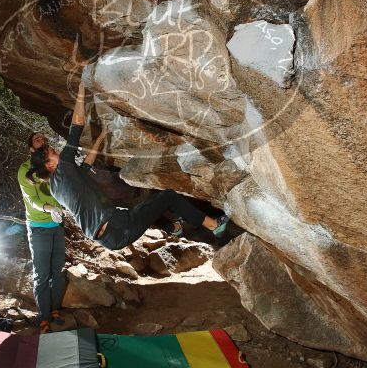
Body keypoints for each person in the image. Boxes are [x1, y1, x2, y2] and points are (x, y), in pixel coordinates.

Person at [27, 83, 229, 250]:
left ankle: (173, 227)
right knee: (168, 196)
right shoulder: (64, 168)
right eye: (52, 152)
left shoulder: (56, 188)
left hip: (108, 240)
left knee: (145, 203)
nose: (56, 152)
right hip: (118, 226)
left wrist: (100, 138)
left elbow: (86, 167)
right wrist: (82, 91)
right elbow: (76, 125)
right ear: (49, 164)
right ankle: (213, 225)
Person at [17, 132, 67, 333]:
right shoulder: (25, 170)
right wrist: (51, 209)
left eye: (44, 138)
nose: (42, 140)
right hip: (39, 227)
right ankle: (43, 316)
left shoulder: (52, 164)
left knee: (58, 271)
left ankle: (55, 310)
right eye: (37, 139)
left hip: (57, 226)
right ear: (30, 147)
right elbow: (32, 200)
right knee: (42, 274)